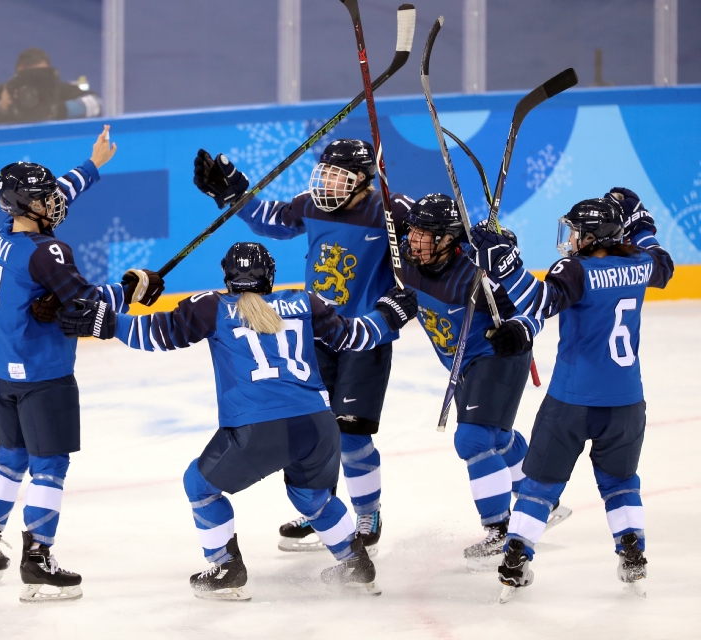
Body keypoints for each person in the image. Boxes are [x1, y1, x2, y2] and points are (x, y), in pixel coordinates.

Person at [58, 241, 418, 600]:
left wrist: (107, 323)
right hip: (319, 425)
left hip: (259, 427)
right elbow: (354, 336)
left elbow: (158, 335)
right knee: (313, 497)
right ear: (270, 276)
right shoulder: (306, 301)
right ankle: (355, 564)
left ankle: (225, 568)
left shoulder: (212, 306)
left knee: (199, 485)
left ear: (227, 278)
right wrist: (387, 315)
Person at [0, 125, 164, 603]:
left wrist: (93, 165)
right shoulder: (50, 251)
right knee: (49, 466)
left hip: (1, 370)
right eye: (44, 198)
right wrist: (132, 287)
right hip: (43, 376)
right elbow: (86, 306)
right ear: (26, 206)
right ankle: (37, 560)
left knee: (9, 458)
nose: (54, 201)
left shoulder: (4, 236)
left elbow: (58, 199)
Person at [192, 140, 411, 555]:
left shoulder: (390, 209)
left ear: (363, 181)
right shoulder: (313, 204)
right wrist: (231, 189)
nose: (326, 182)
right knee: (318, 428)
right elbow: (268, 219)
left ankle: (368, 513)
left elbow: (434, 239)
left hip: (365, 336)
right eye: (324, 173)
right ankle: (322, 508)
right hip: (320, 331)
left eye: (337, 176)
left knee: (351, 433)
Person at [465, 188, 673, 602]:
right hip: (627, 403)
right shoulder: (639, 263)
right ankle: (632, 550)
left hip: (571, 402)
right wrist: (644, 224)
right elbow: (663, 264)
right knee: (621, 482)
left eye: (577, 231)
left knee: (539, 486)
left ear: (594, 237)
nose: (571, 238)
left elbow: (540, 301)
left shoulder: (576, 270)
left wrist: (507, 266)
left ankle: (516, 556)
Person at [397, 194, 572, 570]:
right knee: (496, 438)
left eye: (424, 233)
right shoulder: (406, 262)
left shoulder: (476, 271)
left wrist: (520, 326)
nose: (413, 239)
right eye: (412, 229)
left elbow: (534, 309)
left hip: (497, 357)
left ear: (447, 239)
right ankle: (539, 496)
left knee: (474, 438)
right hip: (464, 365)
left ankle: (500, 527)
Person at [0, 47, 102, 126]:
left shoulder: (60, 90)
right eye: (28, 77)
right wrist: (1, 107)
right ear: (17, 75)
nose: (35, 83)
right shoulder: (1, 93)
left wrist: (59, 110)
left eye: (41, 77)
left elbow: (96, 104)